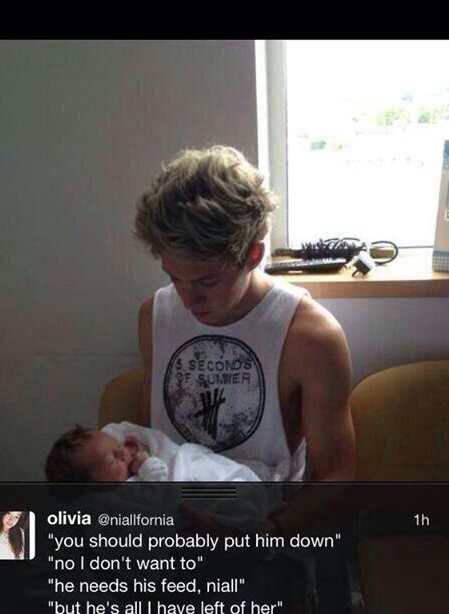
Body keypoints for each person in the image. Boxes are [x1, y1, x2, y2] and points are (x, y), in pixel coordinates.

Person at [134, 145, 355, 534]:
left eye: (206, 281)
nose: (188, 300)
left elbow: (335, 476)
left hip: (261, 526)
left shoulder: (310, 338)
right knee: (15, 550)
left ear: (253, 254)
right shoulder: (155, 316)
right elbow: (148, 440)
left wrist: (264, 534)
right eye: (175, 278)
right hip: (165, 521)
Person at [45, 421, 290, 530]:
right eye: (113, 459)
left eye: (117, 447)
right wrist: (147, 465)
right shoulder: (117, 498)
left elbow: (120, 432)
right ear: (93, 484)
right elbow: (160, 495)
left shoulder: (114, 457)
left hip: (190, 469)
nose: (124, 453)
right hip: (189, 505)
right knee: (236, 497)